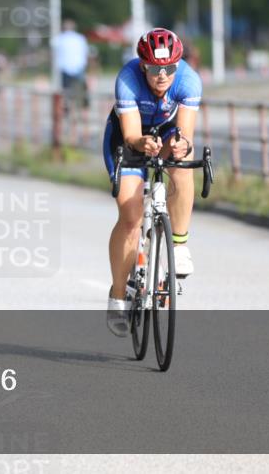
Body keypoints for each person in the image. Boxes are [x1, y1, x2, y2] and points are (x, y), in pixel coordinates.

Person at [102, 28, 201, 337]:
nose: (162, 76)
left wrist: (180, 146)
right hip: (128, 138)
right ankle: (119, 295)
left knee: (183, 159)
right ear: (143, 65)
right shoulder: (128, 79)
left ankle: (179, 245)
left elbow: (185, 133)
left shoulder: (189, 81)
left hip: (167, 131)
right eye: (155, 69)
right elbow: (132, 135)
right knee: (131, 218)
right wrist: (141, 143)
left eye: (169, 68)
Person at [53, 19, 89, 106]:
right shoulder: (80, 38)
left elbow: (54, 53)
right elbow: (85, 52)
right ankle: (82, 106)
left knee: (65, 90)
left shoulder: (59, 38)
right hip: (78, 67)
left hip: (64, 68)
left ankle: (67, 105)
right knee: (80, 90)